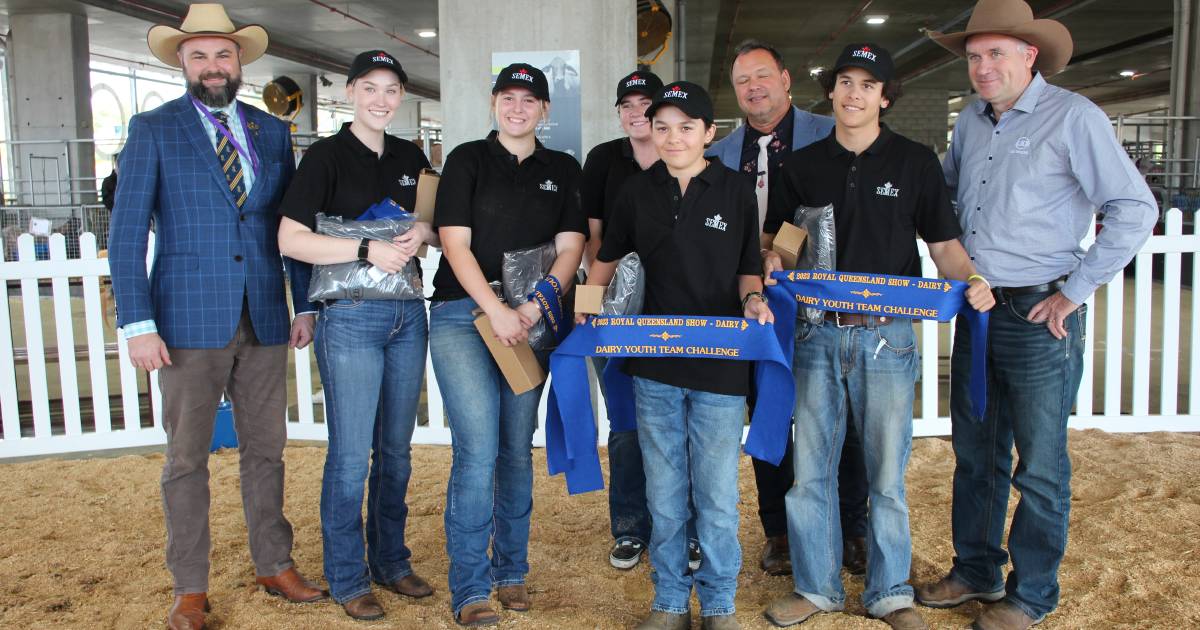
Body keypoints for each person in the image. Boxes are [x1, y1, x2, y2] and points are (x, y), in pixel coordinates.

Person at [916, 2, 1158, 629]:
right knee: (976, 451)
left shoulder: (1073, 117)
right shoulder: (969, 122)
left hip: (1035, 311)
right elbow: (940, 197)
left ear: (1030, 55)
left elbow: (1135, 208)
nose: (982, 66)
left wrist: (1074, 291)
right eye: (973, 56)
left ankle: (1032, 595)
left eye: (996, 53)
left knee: (1041, 464)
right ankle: (976, 570)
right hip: (978, 305)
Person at [759, 44, 994, 630]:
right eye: (844, 82)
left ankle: (889, 592)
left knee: (887, 476)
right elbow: (781, 243)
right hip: (814, 337)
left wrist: (974, 280)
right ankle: (816, 588)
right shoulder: (802, 167)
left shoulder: (916, 162)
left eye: (867, 85)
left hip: (888, 340)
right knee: (810, 471)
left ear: (885, 98)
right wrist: (771, 265)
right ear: (832, 92)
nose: (854, 94)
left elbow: (943, 247)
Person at [107, 5, 325, 630]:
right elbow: (125, 236)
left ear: (240, 63)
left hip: (263, 314)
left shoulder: (271, 132)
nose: (211, 66)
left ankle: (273, 562)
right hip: (182, 320)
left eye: (222, 55)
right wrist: (137, 323)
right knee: (186, 459)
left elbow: (292, 229)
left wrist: (302, 303)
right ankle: (190, 587)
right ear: (181, 62)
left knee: (268, 450)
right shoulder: (153, 129)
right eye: (198, 55)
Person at [582, 81, 773, 630]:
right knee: (665, 493)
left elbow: (746, 268)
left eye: (686, 127)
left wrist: (754, 299)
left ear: (709, 133)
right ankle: (669, 602)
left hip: (719, 364)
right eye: (662, 126)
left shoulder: (736, 191)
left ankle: (718, 605)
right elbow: (606, 260)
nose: (673, 137)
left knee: (715, 493)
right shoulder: (635, 192)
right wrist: (586, 311)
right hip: (655, 365)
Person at [276, 50, 437, 621]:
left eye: (391, 90)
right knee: (349, 455)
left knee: (395, 450)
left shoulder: (410, 154)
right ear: (349, 92)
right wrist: (366, 247)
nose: (381, 99)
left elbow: (431, 222)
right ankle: (348, 576)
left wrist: (420, 231)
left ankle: (391, 560)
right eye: (369, 88)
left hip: (405, 315)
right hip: (349, 317)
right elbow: (290, 239)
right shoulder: (324, 157)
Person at [428, 63, 586, 627]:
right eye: (508, 98)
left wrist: (532, 307)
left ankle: (511, 572)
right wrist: (495, 310)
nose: (518, 108)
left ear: (545, 110)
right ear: (494, 102)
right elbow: (453, 243)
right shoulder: (467, 160)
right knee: (477, 449)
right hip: (462, 316)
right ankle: (470, 586)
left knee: (517, 448)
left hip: (530, 321)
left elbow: (570, 248)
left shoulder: (564, 168)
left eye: (530, 100)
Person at [706, 40, 869, 576]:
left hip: (828, 304)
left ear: (785, 78)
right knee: (768, 414)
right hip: (755, 304)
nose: (754, 87)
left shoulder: (832, 135)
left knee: (839, 419)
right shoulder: (721, 152)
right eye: (742, 81)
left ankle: (852, 527)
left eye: (762, 76)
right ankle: (777, 529)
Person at [582, 69, 704, 573]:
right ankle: (631, 527)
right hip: (618, 311)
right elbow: (594, 239)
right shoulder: (604, 161)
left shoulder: (695, 166)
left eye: (645, 105)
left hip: (682, 311)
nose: (636, 113)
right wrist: (601, 303)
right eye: (626, 104)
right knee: (627, 424)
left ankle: (688, 532)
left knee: (688, 423)